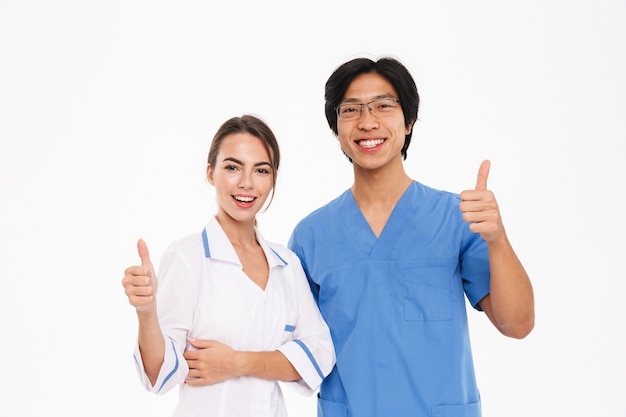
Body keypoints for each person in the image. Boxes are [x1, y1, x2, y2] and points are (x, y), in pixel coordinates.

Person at [287, 57, 535, 417]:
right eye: (351, 109)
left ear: (409, 122)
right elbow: (297, 350)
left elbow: (518, 324)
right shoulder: (310, 236)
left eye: (384, 106)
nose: (367, 121)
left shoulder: (456, 218)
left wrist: (497, 238)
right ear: (336, 127)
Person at [122, 114, 335, 417]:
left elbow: (320, 353)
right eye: (233, 167)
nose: (246, 183)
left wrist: (238, 362)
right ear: (210, 172)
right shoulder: (188, 256)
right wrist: (146, 312)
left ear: (273, 178)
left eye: (261, 170)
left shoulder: (286, 264)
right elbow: (160, 375)